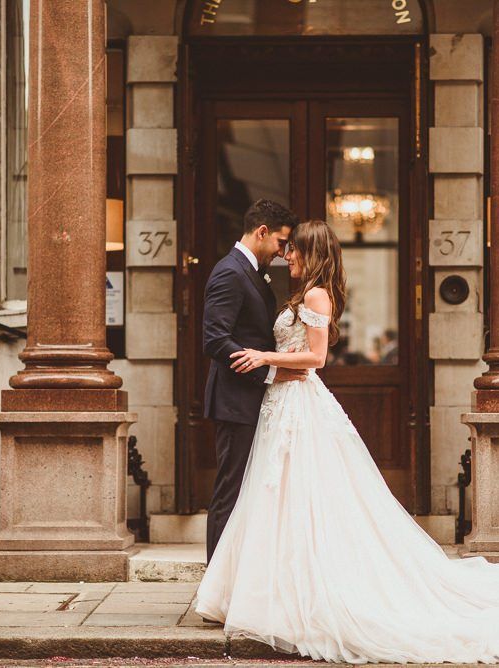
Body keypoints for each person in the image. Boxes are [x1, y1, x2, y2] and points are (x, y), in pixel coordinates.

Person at [195, 220, 499, 664]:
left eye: (294, 250)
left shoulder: (317, 295)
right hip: (279, 401)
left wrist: (265, 357)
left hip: (299, 405)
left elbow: (316, 358)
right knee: (273, 498)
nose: (287, 257)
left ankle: (296, 590)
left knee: (299, 497)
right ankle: (267, 589)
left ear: (312, 252)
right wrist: (274, 367)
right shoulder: (302, 293)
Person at [202, 199, 304, 564]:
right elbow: (215, 338)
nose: (281, 253)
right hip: (235, 400)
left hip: (253, 398)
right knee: (230, 492)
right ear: (261, 232)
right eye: (280, 242)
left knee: (249, 491)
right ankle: (215, 583)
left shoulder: (251, 271)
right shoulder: (230, 272)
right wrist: (271, 370)